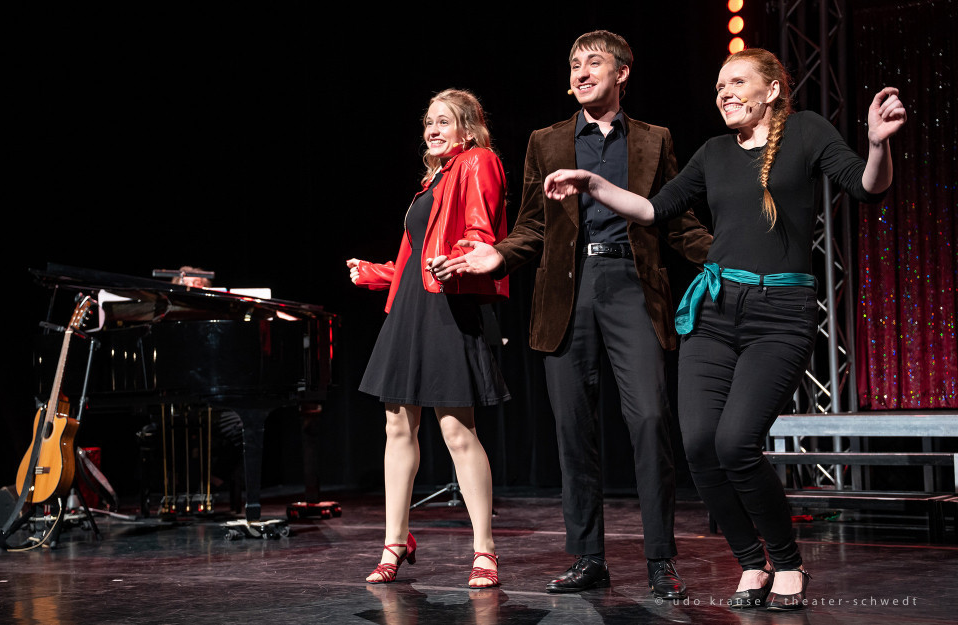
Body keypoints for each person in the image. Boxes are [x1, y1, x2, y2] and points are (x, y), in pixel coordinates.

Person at [542, 48, 906, 611]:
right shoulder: (713, 152)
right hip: (713, 310)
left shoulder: (806, 132)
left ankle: (787, 561)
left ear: (772, 90)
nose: (724, 94)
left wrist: (878, 145)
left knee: (736, 443)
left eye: (737, 82)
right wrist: (592, 182)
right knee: (698, 445)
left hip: (779, 313)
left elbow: (866, 186)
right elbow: (653, 210)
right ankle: (752, 562)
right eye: (718, 87)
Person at [434, 31, 712, 598]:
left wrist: (731, 257)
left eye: (593, 63)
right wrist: (499, 255)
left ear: (622, 72)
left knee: (650, 421)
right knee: (572, 429)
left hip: (632, 286)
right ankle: (589, 558)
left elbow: (675, 220)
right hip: (569, 290)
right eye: (574, 65)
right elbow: (533, 226)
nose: (581, 73)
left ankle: (660, 559)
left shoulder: (654, 139)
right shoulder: (548, 140)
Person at [346, 88, 510, 588]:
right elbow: (415, 255)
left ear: (467, 127)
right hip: (412, 306)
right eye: (429, 122)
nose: (433, 130)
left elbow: (480, 233)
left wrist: (460, 258)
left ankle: (484, 550)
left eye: (444, 121)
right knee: (397, 427)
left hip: (449, 302)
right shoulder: (430, 180)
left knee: (458, 430)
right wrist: (376, 273)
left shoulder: (479, 161)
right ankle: (395, 541)